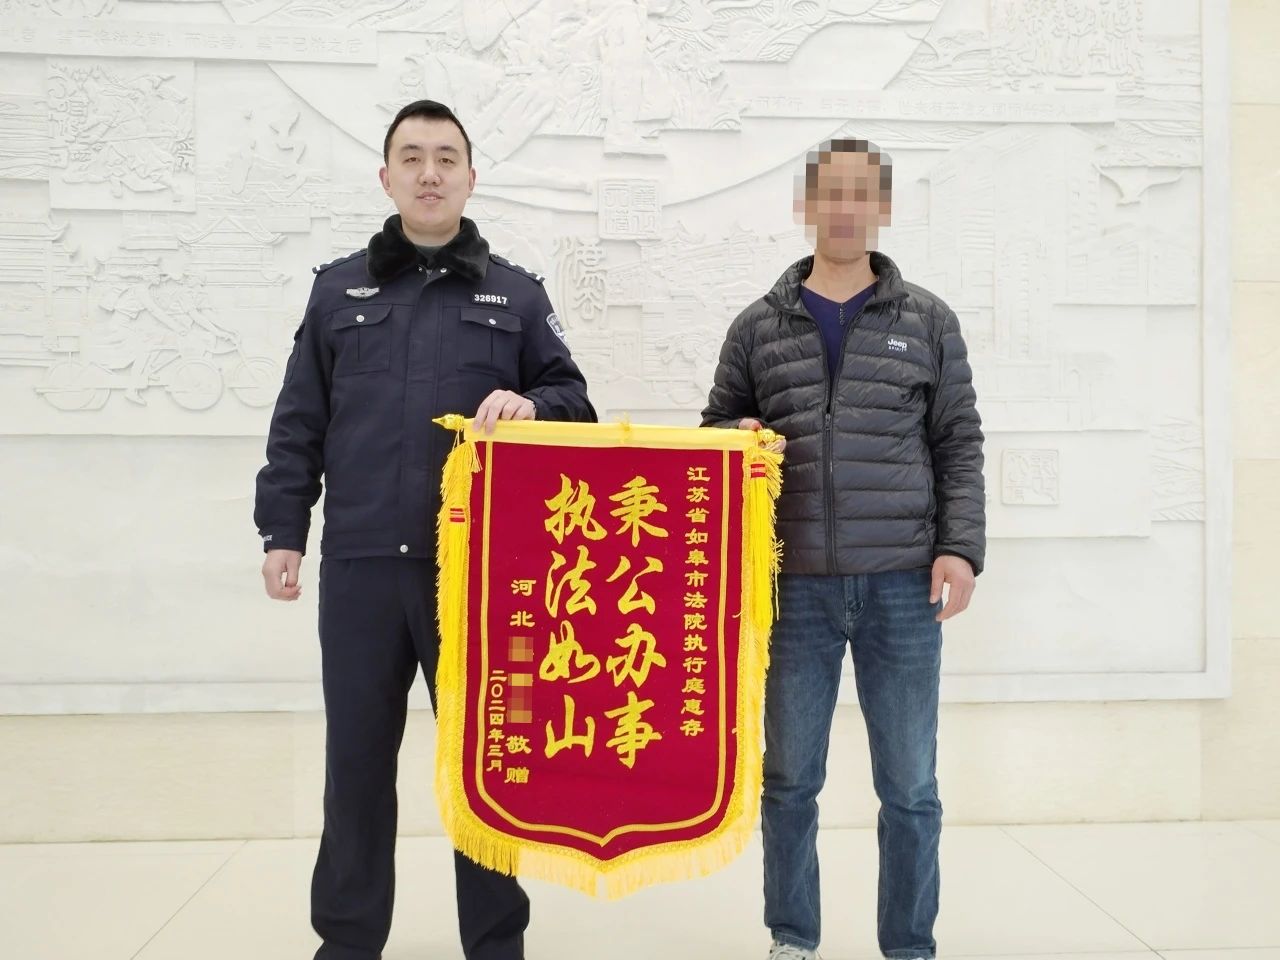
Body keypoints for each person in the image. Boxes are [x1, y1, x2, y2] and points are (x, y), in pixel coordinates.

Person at [254, 99, 596, 960]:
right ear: (387, 177)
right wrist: (283, 529)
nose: (430, 172)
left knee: (486, 771)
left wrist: (534, 403)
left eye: (446, 157)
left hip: (477, 573)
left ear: (471, 177)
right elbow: (299, 420)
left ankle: (496, 945)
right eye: (412, 157)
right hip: (363, 567)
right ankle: (347, 944)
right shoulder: (339, 291)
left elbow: (575, 402)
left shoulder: (516, 294)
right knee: (357, 767)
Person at [702, 138, 986, 960]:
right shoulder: (758, 325)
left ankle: (909, 945)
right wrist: (736, 432)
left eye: (862, 194)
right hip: (793, 589)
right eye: (831, 193)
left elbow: (957, 441)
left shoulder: (926, 320)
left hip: (903, 583)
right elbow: (715, 429)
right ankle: (793, 937)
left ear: (881, 207)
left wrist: (960, 548)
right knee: (790, 781)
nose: (845, 209)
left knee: (910, 786)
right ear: (808, 205)